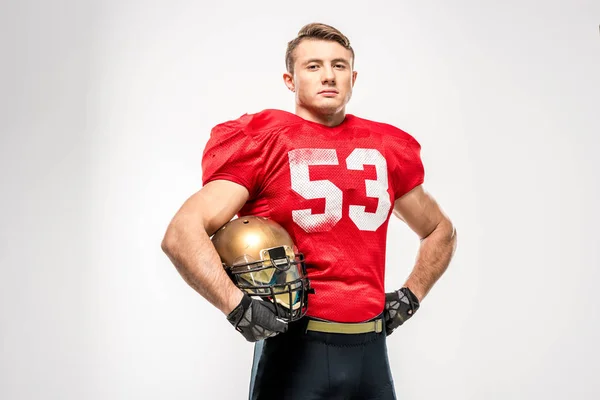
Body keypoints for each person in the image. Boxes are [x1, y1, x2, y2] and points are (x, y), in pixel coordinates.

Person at [161, 22, 457, 400]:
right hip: (294, 350)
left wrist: (411, 295)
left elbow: (439, 231)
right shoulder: (265, 139)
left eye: (338, 65)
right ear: (290, 79)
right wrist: (236, 307)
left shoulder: (385, 145)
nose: (328, 76)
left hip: (371, 351)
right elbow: (182, 232)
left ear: (353, 76)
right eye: (313, 66)